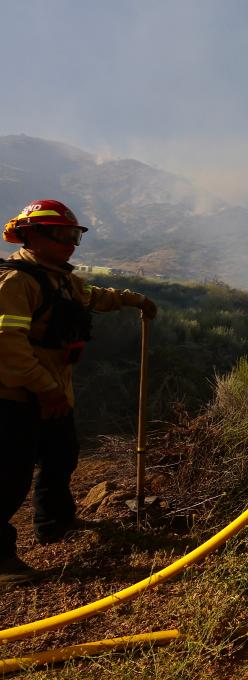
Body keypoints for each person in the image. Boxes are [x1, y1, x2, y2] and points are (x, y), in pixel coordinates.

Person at [0, 199, 158, 586]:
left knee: (61, 456)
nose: (71, 243)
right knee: (8, 478)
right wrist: (46, 389)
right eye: (62, 235)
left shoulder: (60, 279)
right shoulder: (15, 282)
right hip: (14, 397)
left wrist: (135, 300)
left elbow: (93, 297)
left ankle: (54, 523)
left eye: (74, 235)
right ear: (32, 235)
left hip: (53, 393)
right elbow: (8, 345)